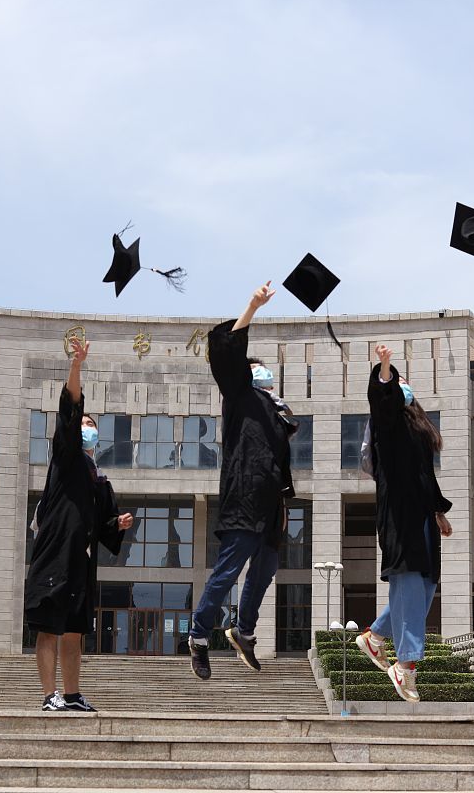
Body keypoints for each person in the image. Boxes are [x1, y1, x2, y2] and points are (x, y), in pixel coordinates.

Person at [188, 282, 295, 679]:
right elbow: (228, 349)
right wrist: (251, 306)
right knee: (228, 572)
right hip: (244, 497)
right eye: (256, 369)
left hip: (271, 504)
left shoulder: (274, 409)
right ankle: (199, 636)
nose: (262, 374)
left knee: (265, 570)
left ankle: (244, 631)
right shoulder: (238, 394)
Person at [25, 336, 134, 711]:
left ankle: (71, 694)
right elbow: (70, 407)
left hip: (81, 561)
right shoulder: (67, 455)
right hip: (54, 552)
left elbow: (102, 527)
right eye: (83, 421)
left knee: (73, 630)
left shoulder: (98, 477)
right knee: (48, 628)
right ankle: (48, 695)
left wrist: (116, 524)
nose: (86, 425)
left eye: (91, 423)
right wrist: (76, 365)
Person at [354, 345, 452, 702]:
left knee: (424, 586)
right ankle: (406, 665)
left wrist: (438, 512)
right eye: (397, 385)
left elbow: (426, 477)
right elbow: (382, 400)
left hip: (422, 515)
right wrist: (384, 368)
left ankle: (375, 636)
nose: (401, 388)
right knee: (410, 584)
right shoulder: (388, 426)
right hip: (399, 515)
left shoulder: (419, 433)